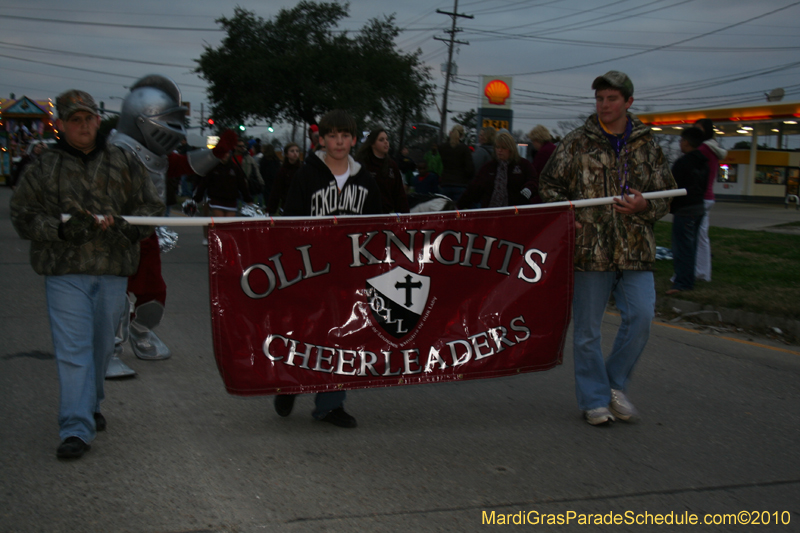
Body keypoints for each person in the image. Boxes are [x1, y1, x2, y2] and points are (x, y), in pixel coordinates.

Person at [10, 89, 164, 459]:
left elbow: (152, 206)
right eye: (74, 120)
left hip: (112, 271)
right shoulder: (44, 167)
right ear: (60, 124)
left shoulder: (123, 161)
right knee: (73, 349)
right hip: (64, 272)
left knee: (99, 348)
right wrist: (60, 230)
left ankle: (92, 403)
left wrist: (128, 227)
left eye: (88, 118)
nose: (83, 126)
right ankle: (76, 427)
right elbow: (23, 216)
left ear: (99, 120)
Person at [539, 71, 676, 426]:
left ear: (628, 102)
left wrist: (646, 207)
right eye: (600, 98)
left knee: (642, 317)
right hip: (589, 251)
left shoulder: (647, 145)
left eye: (612, 99)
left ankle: (614, 385)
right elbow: (549, 185)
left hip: (635, 249)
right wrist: (568, 217)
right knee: (587, 331)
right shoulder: (576, 142)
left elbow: (667, 194)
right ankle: (594, 400)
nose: (604, 105)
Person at [106, 75, 225, 377]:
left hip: (147, 234)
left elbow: (182, 165)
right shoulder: (114, 153)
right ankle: (109, 350)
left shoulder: (155, 154)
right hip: (117, 237)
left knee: (154, 293)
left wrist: (216, 154)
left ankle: (141, 333)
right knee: (115, 295)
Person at [278, 109, 382, 428]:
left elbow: (377, 223)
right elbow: (290, 221)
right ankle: (290, 383)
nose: (339, 142)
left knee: (343, 335)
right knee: (306, 331)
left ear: (353, 140)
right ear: (321, 139)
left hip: (348, 272)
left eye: (345, 136)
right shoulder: (306, 174)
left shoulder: (365, 178)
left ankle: (331, 404)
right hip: (310, 269)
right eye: (332, 136)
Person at [666, 127, 708, 295]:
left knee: (682, 248)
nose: (680, 143)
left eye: (681, 140)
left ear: (687, 142)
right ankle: (687, 279)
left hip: (685, 210)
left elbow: (672, 185)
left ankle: (682, 282)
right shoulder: (704, 162)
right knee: (691, 247)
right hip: (698, 207)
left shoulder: (683, 163)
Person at [457, 131, 538, 209]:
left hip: (515, 213)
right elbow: (474, 188)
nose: (500, 150)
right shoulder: (489, 167)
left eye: (503, 148)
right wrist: (458, 206)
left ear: (511, 149)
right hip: (491, 213)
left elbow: (533, 180)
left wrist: (528, 190)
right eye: (497, 147)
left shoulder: (523, 165)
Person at [693, 118, 727, 282]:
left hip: (700, 197)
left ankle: (698, 272)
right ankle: (703, 272)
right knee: (701, 237)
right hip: (708, 196)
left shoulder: (703, 149)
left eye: (698, 129)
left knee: (695, 238)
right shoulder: (713, 148)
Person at [355, 128, 409, 214]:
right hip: (365, 216)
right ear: (372, 143)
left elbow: (400, 195)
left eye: (387, 139)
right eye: (381, 140)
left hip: (386, 215)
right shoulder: (362, 164)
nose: (386, 142)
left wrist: (405, 219)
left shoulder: (392, 166)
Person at [437, 125, 475, 202]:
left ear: (451, 133)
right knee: (458, 211)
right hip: (460, 184)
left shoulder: (442, 148)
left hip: (445, 183)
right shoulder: (465, 149)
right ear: (462, 135)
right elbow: (470, 169)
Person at [266, 142, 302, 215]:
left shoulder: (302, 169)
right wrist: (270, 210)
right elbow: (276, 191)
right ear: (286, 154)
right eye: (292, 151)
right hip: (287, 205)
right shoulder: (282, 171)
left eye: (297, 151)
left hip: (301, 205)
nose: (295, 153)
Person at [234, 139, 264, 206]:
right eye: (240, 146)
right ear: (235, 147)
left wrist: (261, 182)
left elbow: (256, 170)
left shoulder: (248, 158)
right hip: (232, 187)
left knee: (246, 209)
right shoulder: (230, 157)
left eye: (243, 146)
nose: (242, 148)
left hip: (245, 186)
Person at [259, 144, 281, 208]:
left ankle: (268, 208)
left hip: (266, 181)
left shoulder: (264, 159)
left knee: (267, 196)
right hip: (274, 180)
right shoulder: (276, 159)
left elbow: (261, 170)